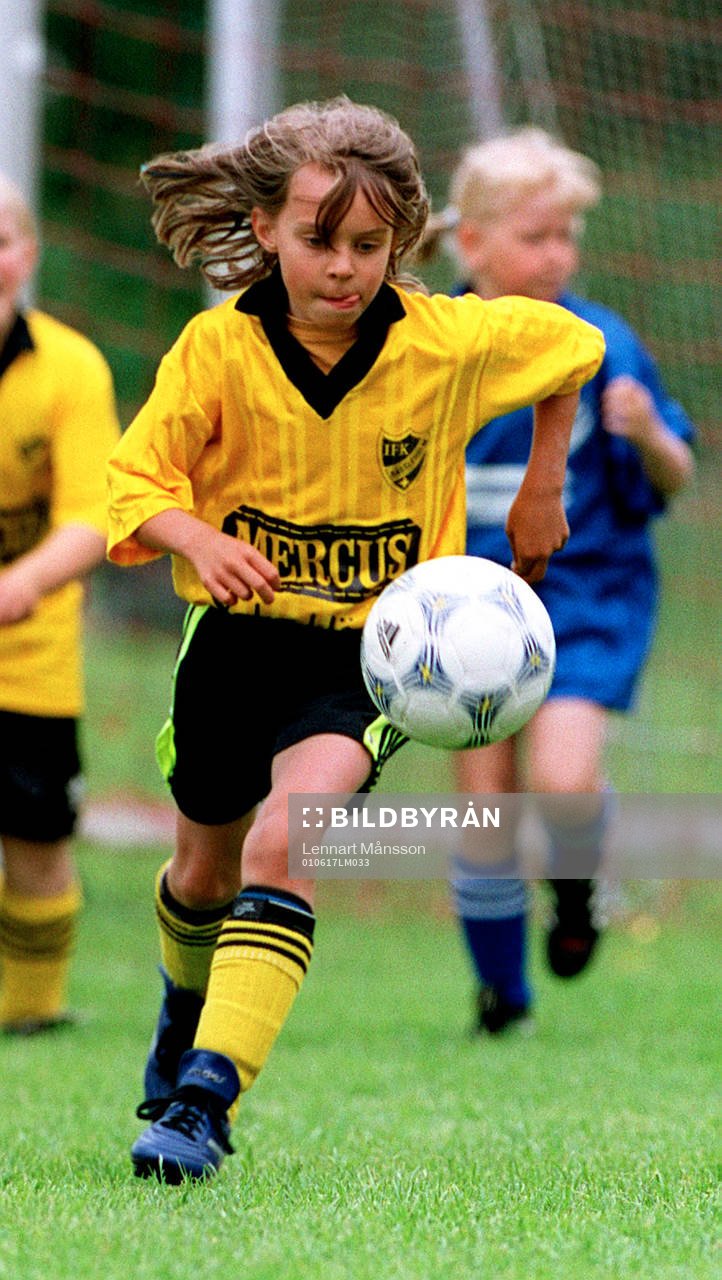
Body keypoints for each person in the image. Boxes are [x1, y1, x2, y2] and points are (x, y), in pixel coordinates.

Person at [106, 96, 605, 1183]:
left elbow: (574, 346)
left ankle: (203, 1101)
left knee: (289, 840)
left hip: (373, 653)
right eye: (319, 241)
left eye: (370, 245)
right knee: (201, 871)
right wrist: (195, 531)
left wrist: (540, 481)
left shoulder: (447, 340)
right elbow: (131, 483)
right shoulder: (216, 351)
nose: (344, 267)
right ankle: (180, 1022)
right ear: (268, 231)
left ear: (405, 239)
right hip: (234, 645)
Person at [422, 128, 695, 1035]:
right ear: (474, 244)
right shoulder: (431, 343)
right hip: (464, 606)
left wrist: (650, 435)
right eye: (536, 236)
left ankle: (576, 895)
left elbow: (675, 476)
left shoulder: (603, 341)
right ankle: (503, 997)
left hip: (585, 598)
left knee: (565, 786)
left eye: (567, 237)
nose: (557, 255)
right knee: (485, 801)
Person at [0, 173, 120, 1034]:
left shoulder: (71, 367)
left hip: (32, 657)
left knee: (39, 843)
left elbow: (94, 513)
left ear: (26, 255)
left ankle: (34, 1015)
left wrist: (25, 583)